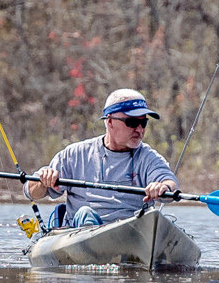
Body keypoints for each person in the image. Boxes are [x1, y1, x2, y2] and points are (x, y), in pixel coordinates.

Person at [25, 89, 180, 228]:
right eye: (132, 122)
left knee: (156, 220)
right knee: (85, 213)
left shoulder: (149, 158)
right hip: (80, 234)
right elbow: (31, 192)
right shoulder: (74, 154)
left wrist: (163, 188)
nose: (139, 129)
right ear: (110, 121)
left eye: (143, 122)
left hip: (131, 235)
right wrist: (42, 181)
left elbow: (169, 183)